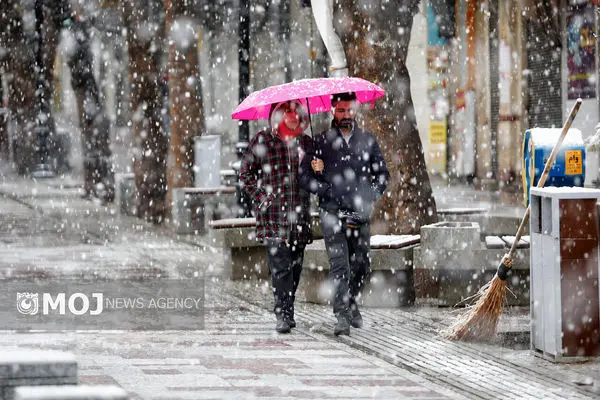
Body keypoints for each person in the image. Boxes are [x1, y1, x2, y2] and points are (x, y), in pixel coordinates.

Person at [299, 92, 389, 336]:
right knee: (340, 266)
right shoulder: (320, 142)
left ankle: (351, 302)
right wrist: (321, 183)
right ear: (332, 111)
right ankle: (341, 315)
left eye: (350, 110)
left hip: (358, 213)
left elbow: (382, 175)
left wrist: (370, 194)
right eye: (341, 111)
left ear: (355, 110)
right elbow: (304, 176)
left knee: (361, 264)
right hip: (331, 212)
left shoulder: (367, 140)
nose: (346, 115)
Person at [239, 100, 313, 334]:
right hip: (273, 217)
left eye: (296, 112)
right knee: (280, 267)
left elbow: (317, 179)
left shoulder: (306, 142)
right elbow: (245, 172)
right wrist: (262, 197)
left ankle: (286, 306)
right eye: (287, 112)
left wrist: (316, 167)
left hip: (299, 216)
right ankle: (283, 313)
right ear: (277, 116)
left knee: (295, 266)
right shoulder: (263, 140)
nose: (292, 116)